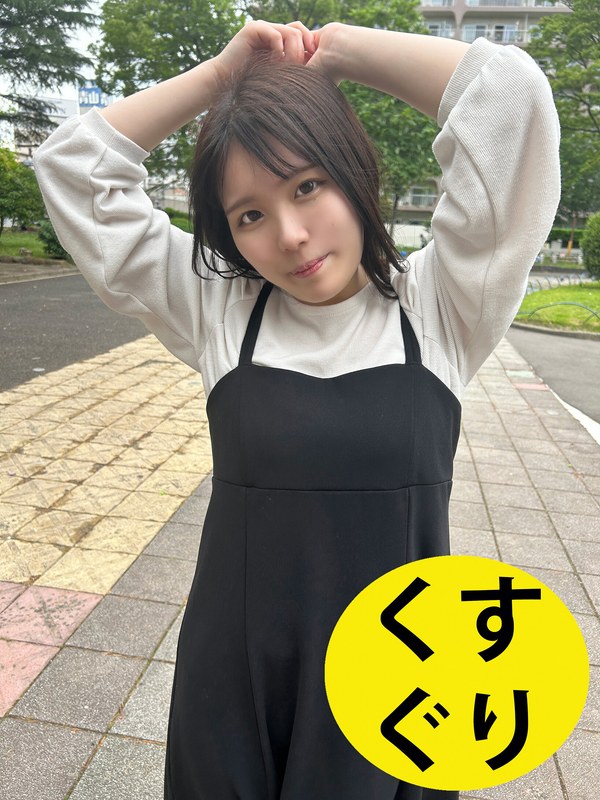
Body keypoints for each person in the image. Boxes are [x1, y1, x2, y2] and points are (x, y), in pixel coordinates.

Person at [33, 19, 560, 800]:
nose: (290, 235)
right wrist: (221, 77)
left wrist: (338, 52)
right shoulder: (218, 311)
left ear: (351, 170)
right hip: (235, 678)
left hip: (403, 683)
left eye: (308, 185)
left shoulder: (441, 306)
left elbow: (511, 100)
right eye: (249, 214)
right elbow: (73, 167)